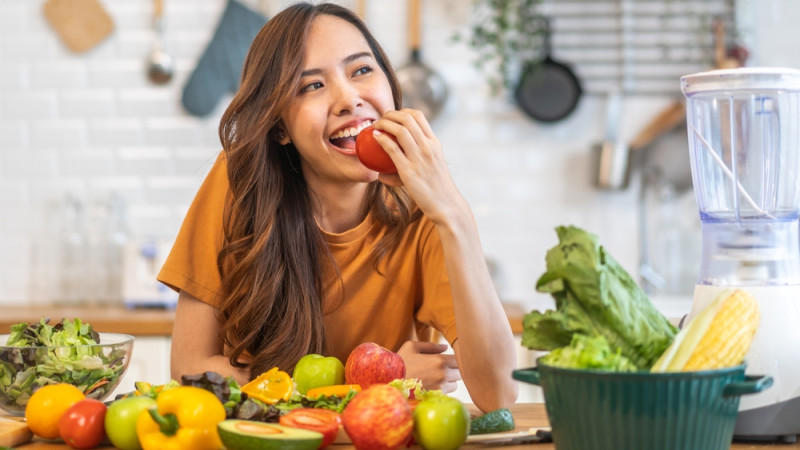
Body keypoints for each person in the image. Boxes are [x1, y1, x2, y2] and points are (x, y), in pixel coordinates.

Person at [158, 1, 517, 412]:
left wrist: (454, 213)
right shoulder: (239, 183)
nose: (349, 98)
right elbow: (191, 371)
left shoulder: (425, 211)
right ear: (280, 128)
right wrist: (378, 379)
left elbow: (498, 394)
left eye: (361, 70)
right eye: (311, 85)